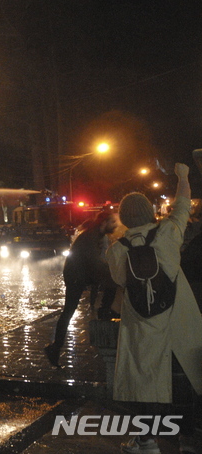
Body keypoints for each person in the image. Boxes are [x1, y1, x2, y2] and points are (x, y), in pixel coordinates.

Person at [108, 163, 202, 454]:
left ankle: (146, 442)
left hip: (140, 329)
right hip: (179, 323)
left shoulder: (117, 249)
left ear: (123, 217)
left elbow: (120, 280)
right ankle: (188, 440)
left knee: (143, 387)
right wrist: (183, 177)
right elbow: (182, 205)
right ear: (151, 213)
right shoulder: (169, 234)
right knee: (185, 382)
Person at [44, 209, 120, 367]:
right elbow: (95, 262)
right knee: (68, 311)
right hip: (76, 275)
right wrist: (112, 273)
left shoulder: (96, 235)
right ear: (104, 223)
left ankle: (104, 313)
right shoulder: (91, 236)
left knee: (69, 311)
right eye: (112, 222)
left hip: (82, 273)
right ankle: (55, 348)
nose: (115, 225)